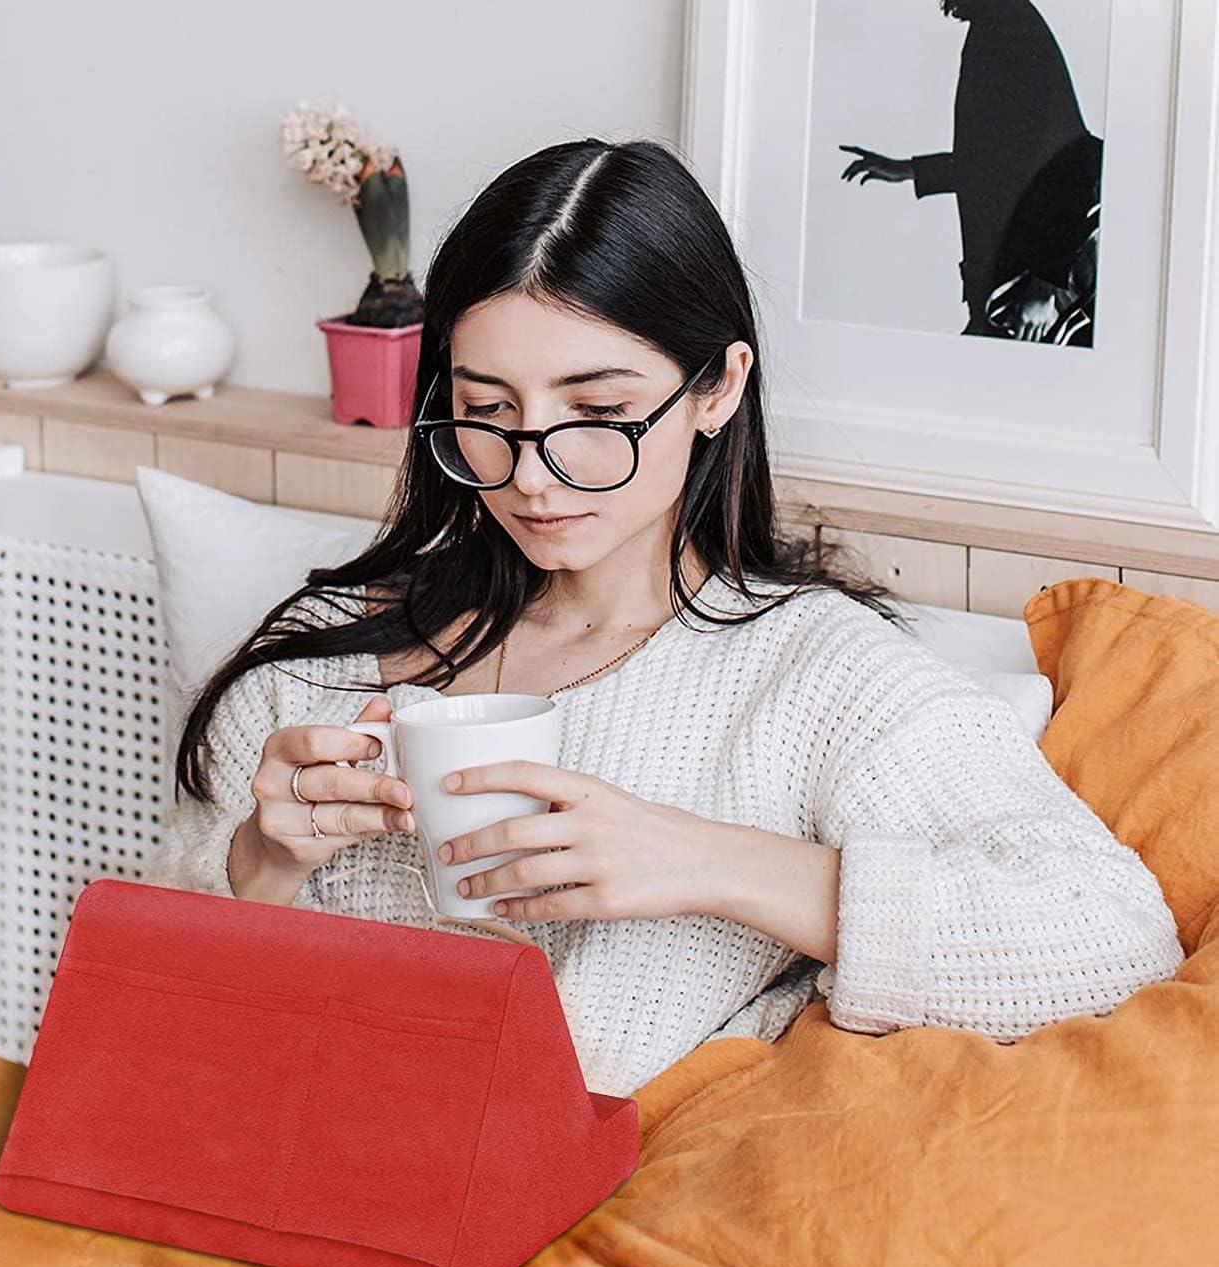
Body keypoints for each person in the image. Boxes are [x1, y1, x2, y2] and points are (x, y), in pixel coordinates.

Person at [144, 137, 1181, 1098]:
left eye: (597, 416)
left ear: (717, 389)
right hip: (280, 1176)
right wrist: (260, 867)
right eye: (489, 413)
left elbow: (1113, 936)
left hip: (584, 1237)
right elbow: (153, 1013)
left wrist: (705, 861)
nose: (534, 475)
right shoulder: (322, 663)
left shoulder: (812, 677)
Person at [839, 0, 1102, 341]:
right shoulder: (995, 23)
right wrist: (909, 170)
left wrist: (1043, 286)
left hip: (1037, 291)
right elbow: (999, 161)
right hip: (1015, 282)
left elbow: (1071, 159)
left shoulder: (1010, 24)